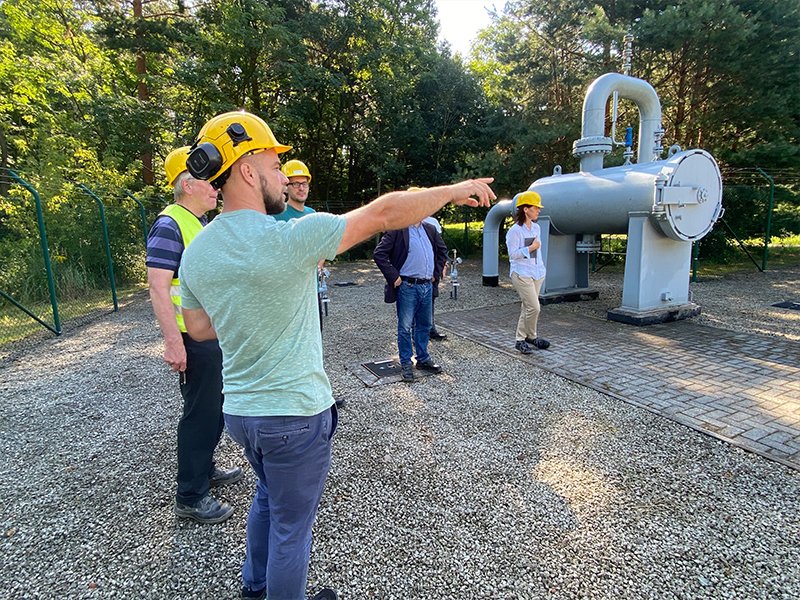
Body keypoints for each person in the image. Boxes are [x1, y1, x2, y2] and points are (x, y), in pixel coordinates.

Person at [178, 111, 494, 600]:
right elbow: (384, 214)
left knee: (267, 496)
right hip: (295, 417)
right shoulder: (290, 237)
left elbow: (197, 327)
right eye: (274, 163)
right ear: (246, 169)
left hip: (240, 413)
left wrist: (245, 307)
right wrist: (451, 190)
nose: (284, 176)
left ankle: (254, 587)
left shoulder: (198, 251)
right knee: (292, 529)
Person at [145, 146, 243, 525]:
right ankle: (190, 495)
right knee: (200, 413)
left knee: (214, 408)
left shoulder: (197, 224)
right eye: (210, 182)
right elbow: (157, 287)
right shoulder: (171, 224)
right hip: (192, 338)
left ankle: (205, 469)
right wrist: (172, 342)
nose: (216, 188)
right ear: (187, 185)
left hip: (208, 335)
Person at [373, 209, 449, 382]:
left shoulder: (429, 229)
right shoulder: (398, 229)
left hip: (426, 286)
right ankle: (406, 363)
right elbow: (379, 254)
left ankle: (422, 359)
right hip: (407, 286)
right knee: (405, 327)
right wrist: (394, 277)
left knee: (424, 324)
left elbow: (442, 251)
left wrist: (436, 274)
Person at [505, 190, 551, 354]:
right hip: (522, 273)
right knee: (534, 307)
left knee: (528, 307)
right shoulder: (515, 231)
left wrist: (541, 267)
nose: (538, 210)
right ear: (525, 209)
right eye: (535, 207)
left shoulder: (537, 228)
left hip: (537, 272)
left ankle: (531, 336)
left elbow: (537, 253)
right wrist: (530, 248)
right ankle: (520, 339)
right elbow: (512, 254)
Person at [422, 213, 448, 341]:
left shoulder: (432, 222)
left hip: (432, 271)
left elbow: (440, 249)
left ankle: (431, 329)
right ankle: (417, 334)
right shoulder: (404, 223)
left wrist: (438, 269)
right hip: (415, 273)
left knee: (430, 300)